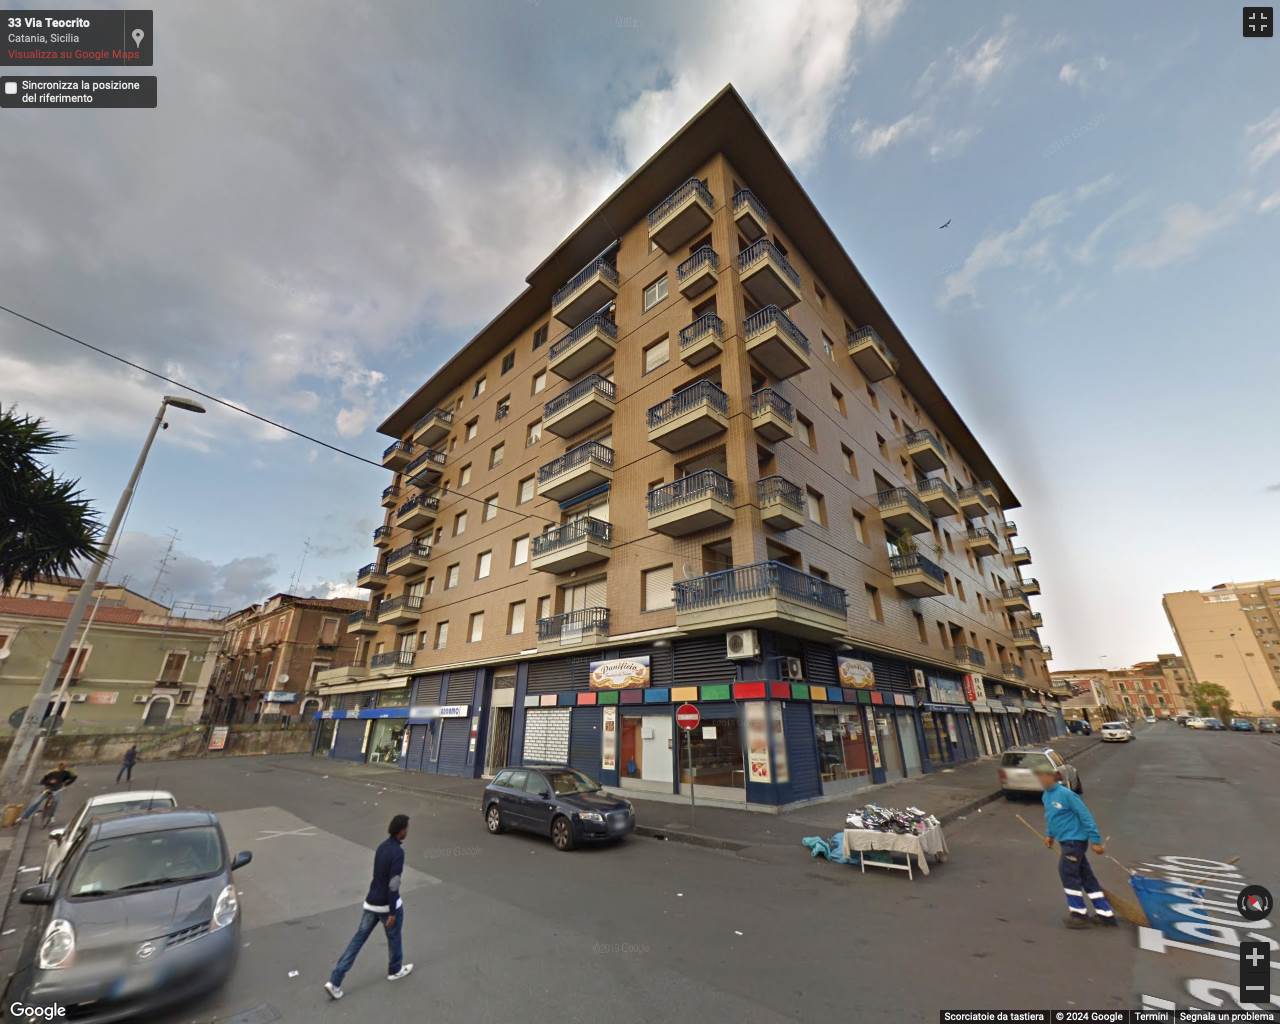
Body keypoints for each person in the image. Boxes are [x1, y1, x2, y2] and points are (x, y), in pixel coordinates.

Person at [324, 814, 414, 999]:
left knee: (358, 940)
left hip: (371, 903)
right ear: (401, 831)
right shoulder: (398, 853)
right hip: (387, 906)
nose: (407, 831)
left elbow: (378, 876)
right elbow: (394, 883)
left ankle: (335, 980)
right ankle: (395, 970)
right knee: (394, 937)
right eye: (406, 828)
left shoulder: (381, 847)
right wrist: (392, 911)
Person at [1036, 766, 1116, 928]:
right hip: (1065, 841)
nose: (1041, 780)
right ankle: (1105, 914)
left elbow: (1085, 816)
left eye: (1044, 776)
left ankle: (1079, 915)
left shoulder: (1066, 795)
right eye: (1039, 777)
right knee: (1086, 876)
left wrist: (1096, 841)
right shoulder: (1046, 796)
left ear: (1053, 777)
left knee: (1067, 873)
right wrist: (1049, 835)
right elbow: (1051, 817)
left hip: (1074, 842)